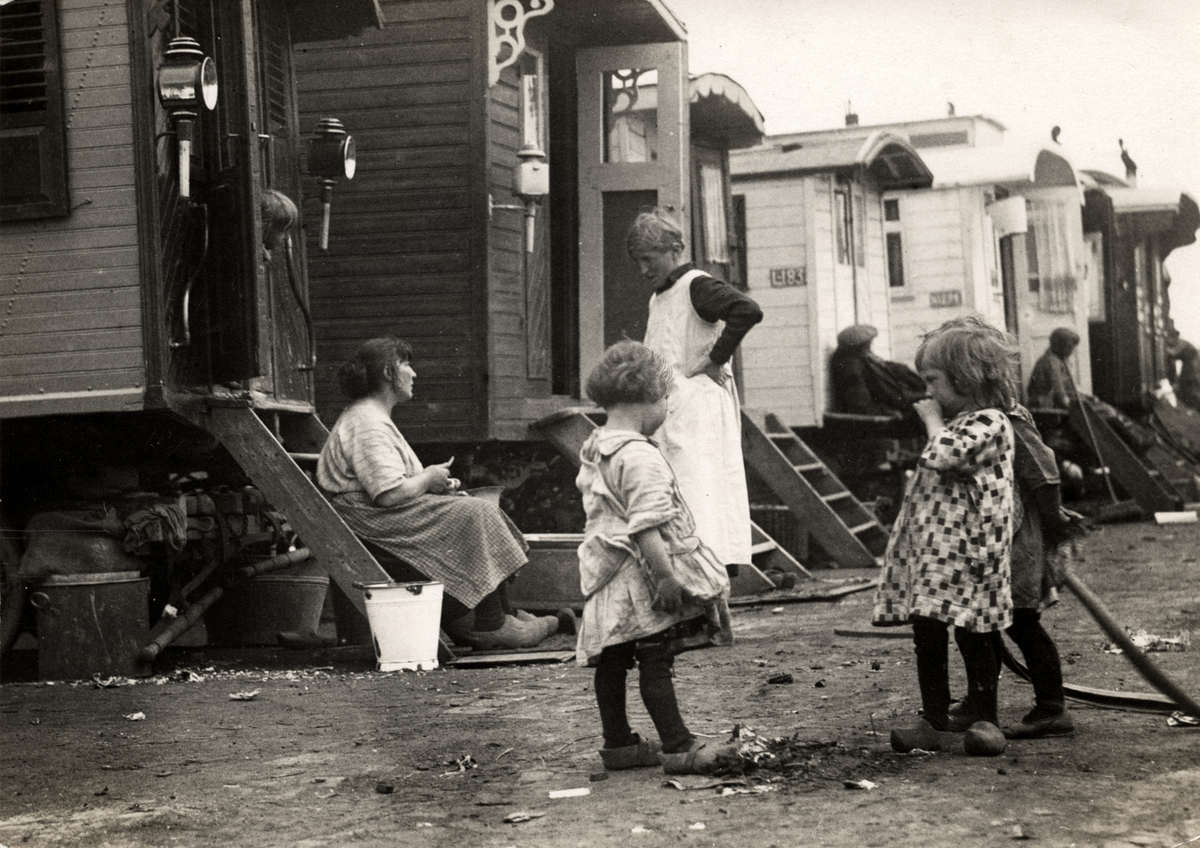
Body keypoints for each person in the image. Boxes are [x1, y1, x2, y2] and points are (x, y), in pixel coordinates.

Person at [317, 336, 560, 650]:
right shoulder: (367, 422)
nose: (414, 373)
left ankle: (504, 615)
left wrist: (433, 483)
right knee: (477, 512)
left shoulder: (371, 418)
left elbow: (391, 483)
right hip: (370, 520)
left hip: (376, 514)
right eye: (406, 364)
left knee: (471, 506)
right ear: (389, 373)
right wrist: (428, 478)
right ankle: (496, 623)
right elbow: (388, 494)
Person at [575, 340, 736, 774]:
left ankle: (619, 745)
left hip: (604, 571)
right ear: (648, 399)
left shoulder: (596, 445)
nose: (666, 406)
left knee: (611, 660)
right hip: (640, 574)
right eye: (666, 398)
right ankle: (678, 745)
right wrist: (666, 578)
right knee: (654, 656)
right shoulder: (639, 456)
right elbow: (646, 525)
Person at [873, 316, 1018, 757]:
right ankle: (932, 718)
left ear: (966, 377)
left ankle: (985, 721)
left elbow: (942, 455)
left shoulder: (990, 422)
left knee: (974, 634)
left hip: (969, 554)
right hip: (937, 554)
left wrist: (932, 419)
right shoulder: (963, 421)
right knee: (928, 632)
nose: (928, 391)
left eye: (934, 380)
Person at [627, 208, 763, 572]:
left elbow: (746, 309)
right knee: (675, 488)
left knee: (699, 485)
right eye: (637, 262)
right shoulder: (659, 297)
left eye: (648, 259)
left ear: (674, 250)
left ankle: (710, 568)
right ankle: (685, 571)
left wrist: (717, 358)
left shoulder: (697, 286)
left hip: (699, 405)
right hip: (669, 408)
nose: (642, 270)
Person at [829, 323, 926, 419]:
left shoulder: (866, 358)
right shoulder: (852, 368)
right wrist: (886, 411)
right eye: (867, 343)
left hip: (897, 398)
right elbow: (860, 403)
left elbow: (890, 369)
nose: (870, 345)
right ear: (858, 346)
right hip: (886, 409)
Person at [1026, 327, 1079, 409]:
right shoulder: (1051, 362)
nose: (1072, 351)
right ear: (1060, 346)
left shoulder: (1060, 360)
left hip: (1052, 402)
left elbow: (1069, 389)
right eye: (1069, 347)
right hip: (1043, 406)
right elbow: (1060, 394)